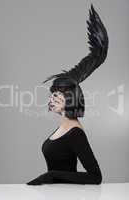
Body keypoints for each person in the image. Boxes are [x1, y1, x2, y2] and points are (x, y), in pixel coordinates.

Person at [26, 3, 109, 185]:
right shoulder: (64, 127)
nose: (52, 99)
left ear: (71, 98)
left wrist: (51, 175)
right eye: (52, 94)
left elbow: (95, 177)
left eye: (58, 95)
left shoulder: (75, 133)